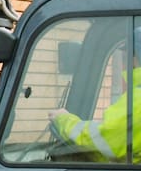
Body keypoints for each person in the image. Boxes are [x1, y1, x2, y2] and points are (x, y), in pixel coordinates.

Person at [48, 25, 141, 163]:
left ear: (135, 58)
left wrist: (63, 120)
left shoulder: (137, 100)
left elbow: (105, 139)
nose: (124, 63)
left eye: (125, 56)